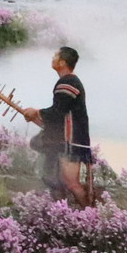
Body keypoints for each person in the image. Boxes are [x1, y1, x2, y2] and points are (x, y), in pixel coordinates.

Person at [25, 46, 94, 206]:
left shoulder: (68, 82)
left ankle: (90, 216)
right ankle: (65, 212)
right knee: (59, 180)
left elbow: (58, 112)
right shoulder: (69, 81)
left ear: (62, 62)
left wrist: (36, 113)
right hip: (68, 140)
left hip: (71, 141)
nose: (52, 58)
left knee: (72, 183)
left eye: (55, 56)